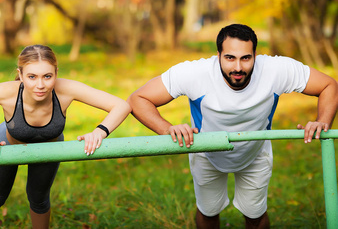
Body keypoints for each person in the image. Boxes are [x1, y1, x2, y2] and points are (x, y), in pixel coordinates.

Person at [127, 24, 338, 229]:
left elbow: (329, 85)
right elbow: (138, 98)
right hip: (205, 151)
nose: (238, 67)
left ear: (255, 55)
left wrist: (323, 120)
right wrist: (167, 129)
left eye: (246, 58)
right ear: (218, 55)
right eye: (230, 58)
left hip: (255, 151)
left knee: (255, 216)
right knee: (208, 212)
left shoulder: (276, 69)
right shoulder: (194, 72)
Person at [0, 45, 131, 229]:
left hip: (49, 147)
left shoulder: (67, 89)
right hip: (7, 145)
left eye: (47, 76)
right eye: (32, 77)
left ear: (56, 73)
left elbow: (121, 105)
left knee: (39, 199)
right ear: (21, 75)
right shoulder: (6, 92)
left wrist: (99, 131)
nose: (40, 85)